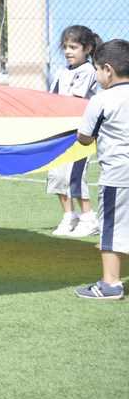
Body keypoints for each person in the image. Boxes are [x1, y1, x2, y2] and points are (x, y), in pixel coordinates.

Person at [74, 39, 129, 300]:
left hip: (118, 176)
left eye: (96, 69)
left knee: (111, 227)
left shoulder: (102, 100)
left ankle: (110, 284)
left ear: (108, 69)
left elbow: (84, 137)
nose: (96, 76)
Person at [48, 25, 102, 237]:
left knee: (75, 176)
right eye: (66, 47)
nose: (68, 51)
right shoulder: (62, 72)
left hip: (79, 135)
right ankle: (69, 216)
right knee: (56, 174)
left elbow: (74, 101)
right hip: (60, 132)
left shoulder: (88, 71)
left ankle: (89, 218)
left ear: (87, 48)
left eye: (73, 47)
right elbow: (51, 98)